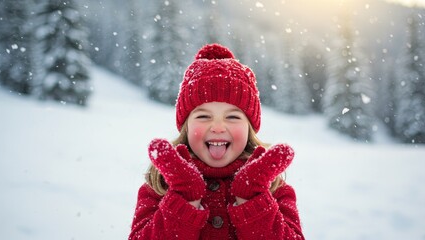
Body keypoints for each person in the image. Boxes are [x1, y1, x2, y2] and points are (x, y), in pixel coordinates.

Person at [128, 43, 305, 240]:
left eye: (233, 117)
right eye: (204, 116)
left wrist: (252, 196)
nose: (218, 127)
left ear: (249, 128)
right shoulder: (158, 186)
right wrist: (184, 197)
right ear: (186, 126)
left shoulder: (275, 189)